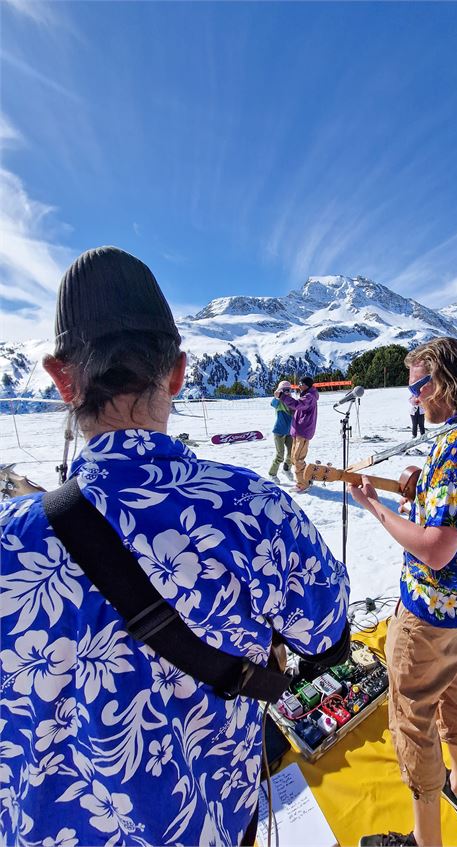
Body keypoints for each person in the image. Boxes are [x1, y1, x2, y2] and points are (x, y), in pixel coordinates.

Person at [0, 247, 350, 847]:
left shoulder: (11, 540)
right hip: (206, 824)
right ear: (178, 372)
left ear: (62, 379)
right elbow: (329, 639)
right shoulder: (256, 512)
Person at [349, 337, 457, 847]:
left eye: (418, 387)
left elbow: (437, 549)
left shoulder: (456, 445)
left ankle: (426, 841)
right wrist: (428, 482)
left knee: (412, 718)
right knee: (452, 687)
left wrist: (377, 509)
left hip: (430, 612)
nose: (414, 399)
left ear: (443, 381)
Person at [282, 376, 319, 492]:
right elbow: (297, 408)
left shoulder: (309, 397)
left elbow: (297, 405)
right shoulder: (306, 396)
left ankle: (302, 485)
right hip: (298, 431)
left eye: (300, 383)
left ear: (306, 385)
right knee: (295, 458)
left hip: (303, 432)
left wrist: (282, 397)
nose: (298, 386)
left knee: (297, 459)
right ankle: (306, 479)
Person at [268, 379, 294, 483]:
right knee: (280, 455)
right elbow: (273, 403)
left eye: (289, 390)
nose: (288, 392)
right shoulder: (278, 402)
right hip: (279, 432)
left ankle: (286, 469)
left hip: (290, 432)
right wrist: (276, 396)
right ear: (281, 391)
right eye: (285, 390)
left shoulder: (291, 401)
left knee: (292, 453)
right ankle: (272, 474)